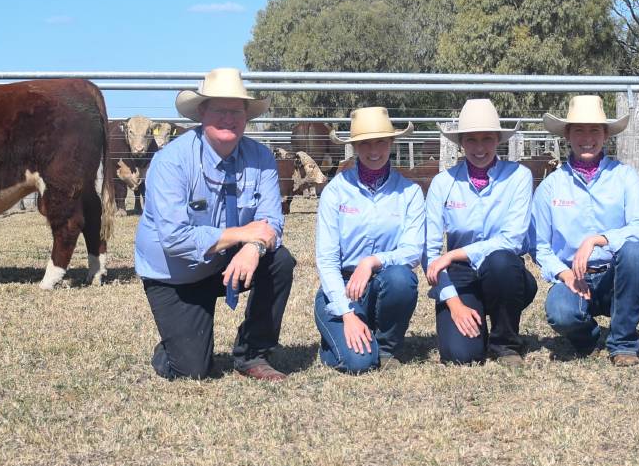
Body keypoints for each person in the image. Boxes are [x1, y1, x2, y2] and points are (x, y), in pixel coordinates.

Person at [135, 68, 296, 381]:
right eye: (219, 110)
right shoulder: (172, 162)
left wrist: (253, 246)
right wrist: (243, 234)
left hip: (227, 260)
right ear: (201, 113)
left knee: (279, 261)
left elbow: (271, 221)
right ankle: (172, 346)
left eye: (236, 111)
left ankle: (253, 354)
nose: (228, 118)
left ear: (247, 116)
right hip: (175, 274)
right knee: (192, 370)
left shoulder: (261, 157)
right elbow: (175, 240)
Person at [534, 95, 639, 367]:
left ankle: (623, 342)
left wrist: (599, 240)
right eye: (579, 130)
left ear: (606, 134)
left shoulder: (625, 176)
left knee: (634, 252)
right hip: (572, 276)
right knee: (562, 314)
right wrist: (564, 274)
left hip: (615, 274)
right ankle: (587, 337)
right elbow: (540, 246)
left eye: (594, 130)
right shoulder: (550, 187)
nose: (587, 137)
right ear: (567, 134)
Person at [425, 98, 537, 366]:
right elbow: (428, 252)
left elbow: (512, 239)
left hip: (503, 270)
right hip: (460, 276)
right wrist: (454, 303)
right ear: (461, 142)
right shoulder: (443, 183)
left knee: (500, 260)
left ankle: (505, 344)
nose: (479, 147)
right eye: (471, 139)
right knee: (460, 355)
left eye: (487, 138)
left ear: (498, 139)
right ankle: (476, 314)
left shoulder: (519, 177)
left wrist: (455, 254)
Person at [313, 107, 424, 373]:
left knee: (401, 278)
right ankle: (338, 340)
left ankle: (386, 347)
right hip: (342, 285)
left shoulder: (410, 193)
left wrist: (372, 262)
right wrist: (347, 314)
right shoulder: (335, 192)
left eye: (380, 142)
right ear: (354, 147)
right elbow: (326, 260)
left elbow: (412, 251)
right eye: (365, 143)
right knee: (358, 363)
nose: (373, 150)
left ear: (391, 143)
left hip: (384, 281)